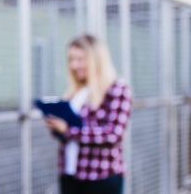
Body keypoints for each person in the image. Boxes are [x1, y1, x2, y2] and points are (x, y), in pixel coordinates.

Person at [43, 33, 132, 194]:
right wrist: (56, 126)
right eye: (71, 59)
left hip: (100, 177)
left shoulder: (117, 89)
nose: (74, 65)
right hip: (71, 174)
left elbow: (113, 135)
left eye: (80, 59)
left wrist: (68, 130)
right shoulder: (74, 91)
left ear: (96, 60)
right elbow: (66, 133)